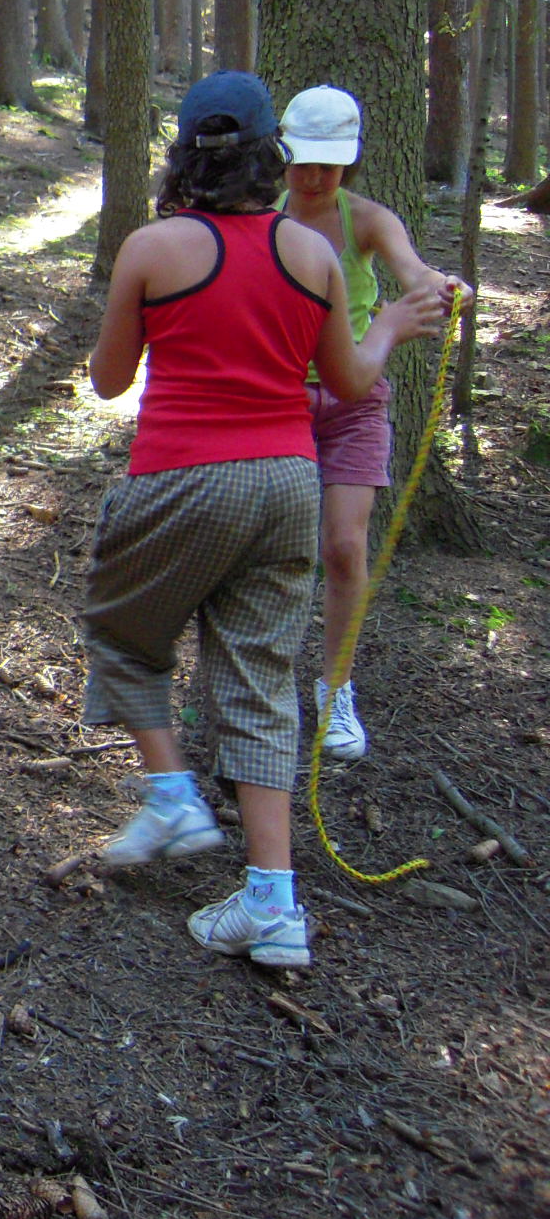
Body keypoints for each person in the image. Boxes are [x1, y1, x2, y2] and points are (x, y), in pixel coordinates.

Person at [82, 71, 447, 967]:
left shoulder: (152, 247)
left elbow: (108, 380)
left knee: (122, 632)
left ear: (184, 155)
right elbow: (350, 381)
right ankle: (274, 906)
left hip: (182, 474)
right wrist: (390, 327)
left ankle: (172, 795)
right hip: (288, 484)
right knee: (259, 683)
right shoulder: (311, 254)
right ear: (270, 157)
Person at [276, 85, 473, 760]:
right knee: (277, 549)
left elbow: (412, 270)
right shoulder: (263, 217)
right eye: (304, 162)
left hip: (356, 400)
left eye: (329, 165)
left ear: (350, 161)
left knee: (343, 546)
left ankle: (336, 689)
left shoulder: (366, 219)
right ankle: (263, 682)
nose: (314, 177)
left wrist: (442, 289)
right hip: (280, 400)